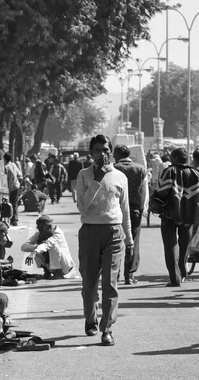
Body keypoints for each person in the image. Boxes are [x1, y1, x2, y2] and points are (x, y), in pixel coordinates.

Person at [75, 134, 133, 347]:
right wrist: (97, 180)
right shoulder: (83, 175)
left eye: (106, 150)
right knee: (89, 284)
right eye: (98, 150)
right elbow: (82, 206)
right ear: (91, 153)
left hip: (114, 233)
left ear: (111, 152)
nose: (103, 154)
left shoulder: (120, 177)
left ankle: (107, 328)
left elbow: (125, 210)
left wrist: (130, 240)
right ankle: (90, 319)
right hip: (90, 232)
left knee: (110, 284)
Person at [153, 148, 199, 287]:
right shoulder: (194, 173)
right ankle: (183, 272)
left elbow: (161, 192)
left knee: (170, 246)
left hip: (169, 215)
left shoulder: (169, 171)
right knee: (184, 246)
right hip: (188, 216)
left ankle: (175, 278)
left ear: (174, 158)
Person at [113, 144, 148, 285]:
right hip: (134, 208)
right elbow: (144, 191)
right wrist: (143, 208)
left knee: (115, 241)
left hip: (115, 208)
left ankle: (115, 274)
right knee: (132, 240)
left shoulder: (113, 168)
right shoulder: (140, 169)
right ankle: (129, 275)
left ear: (116, 155)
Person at [22, 215, 75, 279]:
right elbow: (24, 246)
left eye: (42, 228)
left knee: (52, 247)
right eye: (38, 228)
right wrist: (35, 247)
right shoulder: (39, 234)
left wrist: (35, 251)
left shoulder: (57, 234)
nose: (40, 230)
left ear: (49, 227)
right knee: (38, 247)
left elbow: (47, 244)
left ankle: (58, 274)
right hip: (51, 267)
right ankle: (47, 272)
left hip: (65, 267)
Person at [4, 153, 22, 226]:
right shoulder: (14, 165)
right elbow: (20, 175)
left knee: (9, 204)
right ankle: (15, 220)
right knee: (14, 204)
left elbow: (4, 179)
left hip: (9, 188)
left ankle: (9, 219)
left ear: (4, 159)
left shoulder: (6, 167)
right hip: (16, 186)